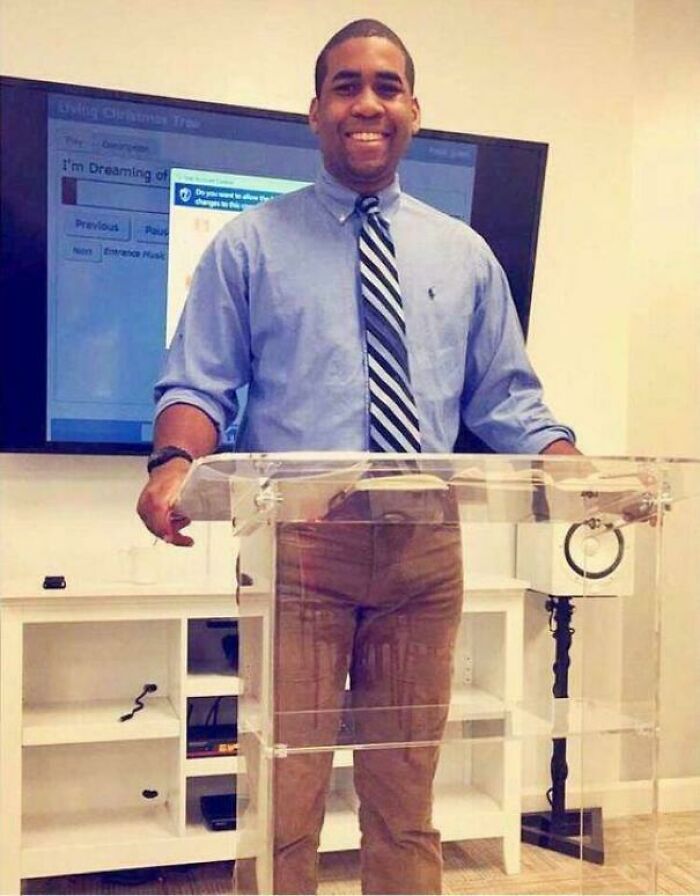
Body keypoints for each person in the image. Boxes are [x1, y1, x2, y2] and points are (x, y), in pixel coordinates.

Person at [138, 19, 579, 895]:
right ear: (315, 111)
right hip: (301, 549)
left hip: (425, 552)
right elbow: (198, 383)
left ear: (414, 109)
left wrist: (566, 462)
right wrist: (171, 463)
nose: (366, 103)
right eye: (345, 85)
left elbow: (508, 399)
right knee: (285, 794)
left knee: (405, 796)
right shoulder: (249, 246)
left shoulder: (464, 255)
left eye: (385, 85)